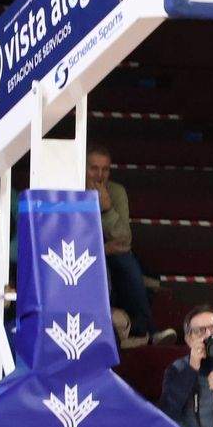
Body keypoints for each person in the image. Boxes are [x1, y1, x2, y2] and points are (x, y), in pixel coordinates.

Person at [88, 142, 155, 344]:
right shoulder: (72, 188)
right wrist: (102, 248)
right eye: (94, 168)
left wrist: (107, 209)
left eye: (105, 169)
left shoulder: (116, 192)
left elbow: (124, 239)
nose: (100, 175)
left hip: (112, 256)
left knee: (125, 259)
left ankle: (145, 328)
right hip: (82, 258)